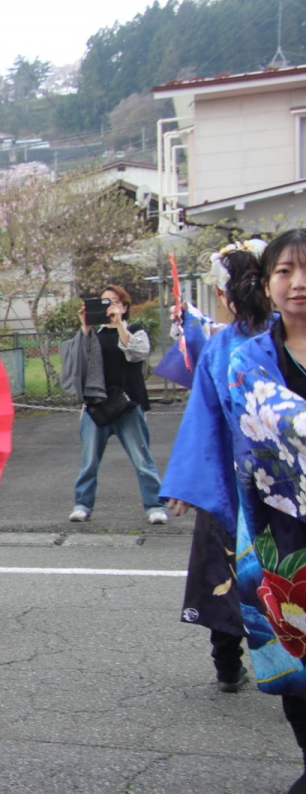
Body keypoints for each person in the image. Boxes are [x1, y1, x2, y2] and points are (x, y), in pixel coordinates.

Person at [162, 241, 273, 694]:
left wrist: (188, 483)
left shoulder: (223, 344)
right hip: (288, 479)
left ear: (225, 294)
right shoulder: (287, 334)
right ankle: (285, 667)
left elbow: (202, 418)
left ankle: (227, 663)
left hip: (230, 479)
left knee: (225, 569)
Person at [218, 229, 306, 793]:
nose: (298, 283)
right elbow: (269, 421)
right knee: (297, 657)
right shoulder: (249, 359)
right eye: (285, 271)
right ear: (267, 283)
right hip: (283, 531)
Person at [58, 285, 167, 525]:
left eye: (114, 302)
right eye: (104, 302)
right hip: (96, 406)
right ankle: (82, 505)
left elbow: (137, 353)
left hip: (128, 404)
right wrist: (85, 326)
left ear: (124, 307)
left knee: (142, 460)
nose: (109, 307)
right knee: (89, 461)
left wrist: (119, 325)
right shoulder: (93, 335)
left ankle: (155, 505)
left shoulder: (135, 331)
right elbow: (77, 363)